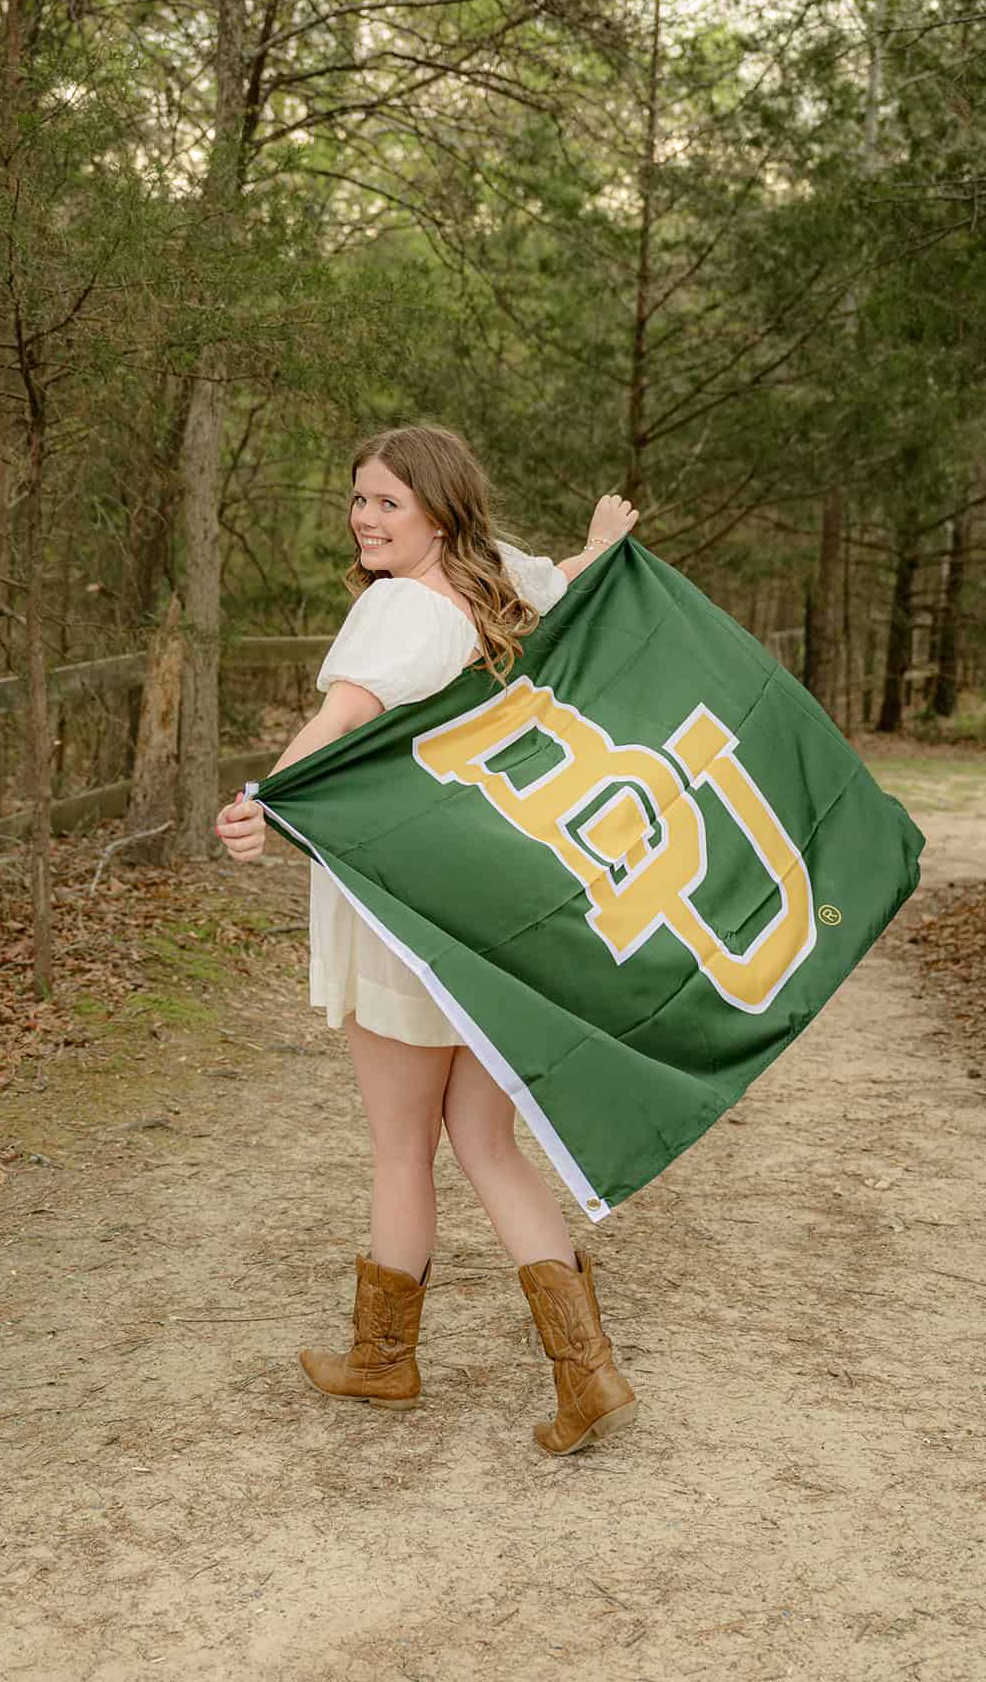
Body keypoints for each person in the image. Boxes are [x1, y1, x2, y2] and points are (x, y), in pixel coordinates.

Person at [214, 423, 640, 1455]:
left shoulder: (401, 606)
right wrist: (598, 538)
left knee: (403, 1144)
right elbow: (568, 577)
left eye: (385, 502)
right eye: (356, 499)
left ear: (436, 512)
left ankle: (382, 1357)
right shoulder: (494, 586)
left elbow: (344, 714)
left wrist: (261, 799)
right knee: (484, 1139)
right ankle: (586, 1371)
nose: (362, 518)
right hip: (488, 913)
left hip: (403, 909)